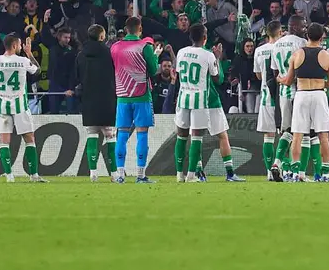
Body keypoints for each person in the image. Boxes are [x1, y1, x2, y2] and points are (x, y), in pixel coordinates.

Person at [174, 24, 242, 182]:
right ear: (205, 38)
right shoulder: (208, 55)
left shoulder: (181, 52)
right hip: (203, 100)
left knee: (182, 137)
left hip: (184, 98)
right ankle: (200, 174)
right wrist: (217, 58)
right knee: (206, 137)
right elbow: (219, 79)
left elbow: (178, 75)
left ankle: (182, 174)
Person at [281, 23, 329, 182]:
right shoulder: (328, 57)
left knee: (297, 135)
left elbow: (288, 81)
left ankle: (295, 172)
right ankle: (325, 174)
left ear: (307, 36)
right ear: (322, 37)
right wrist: (319, 83)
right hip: (319, 95)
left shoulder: (296, 55)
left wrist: (280, 79)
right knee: (323, 136)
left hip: (302, 95)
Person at [109, 16, 162, 184]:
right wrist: (156, 56)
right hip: (141, 95)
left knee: (122, 135)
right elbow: (153, 70)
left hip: (122, 96)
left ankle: (120, 175)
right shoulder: (145, 47)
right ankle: (140, 175)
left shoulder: (115, 47)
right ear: (140, 29)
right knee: (142, 134)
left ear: (126, 30)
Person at [0, 34, 45, 183]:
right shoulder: (22, 61)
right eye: (20, 45)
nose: (21, 47)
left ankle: (9, 175)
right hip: (20, 105)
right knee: (29, 139)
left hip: (3, 105)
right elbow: (37, 71)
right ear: (14, 46)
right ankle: (34, 175)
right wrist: (29, 53)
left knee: (4, 141)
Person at [75, 24, 119, 182]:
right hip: (107, 99)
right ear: (101, 36)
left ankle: (93, 173)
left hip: (89, 100)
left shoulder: (81, 55)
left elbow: (77, 77)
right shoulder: (109, 53)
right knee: (110, 136)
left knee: (91, 135)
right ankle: (114, 174)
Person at [270, 15, 307, 181]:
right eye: (303, 26)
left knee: (287, 131)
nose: (305, 29)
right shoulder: (301, 43)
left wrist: (281, 79)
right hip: (300, 91)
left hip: (283, 93)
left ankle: (278, 164)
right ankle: (296, 171)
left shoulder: (276, 44)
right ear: (295, 26)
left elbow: (275, 73)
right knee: (301, 133)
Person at [254, 20, 281, 179]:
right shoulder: (282, 47)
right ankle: (284, 169)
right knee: (285, 135)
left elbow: (258, 75)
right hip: (281, 95)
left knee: (268, 136)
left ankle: (269, 172)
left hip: (266, 96)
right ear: (280, 32)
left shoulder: (259, 50)